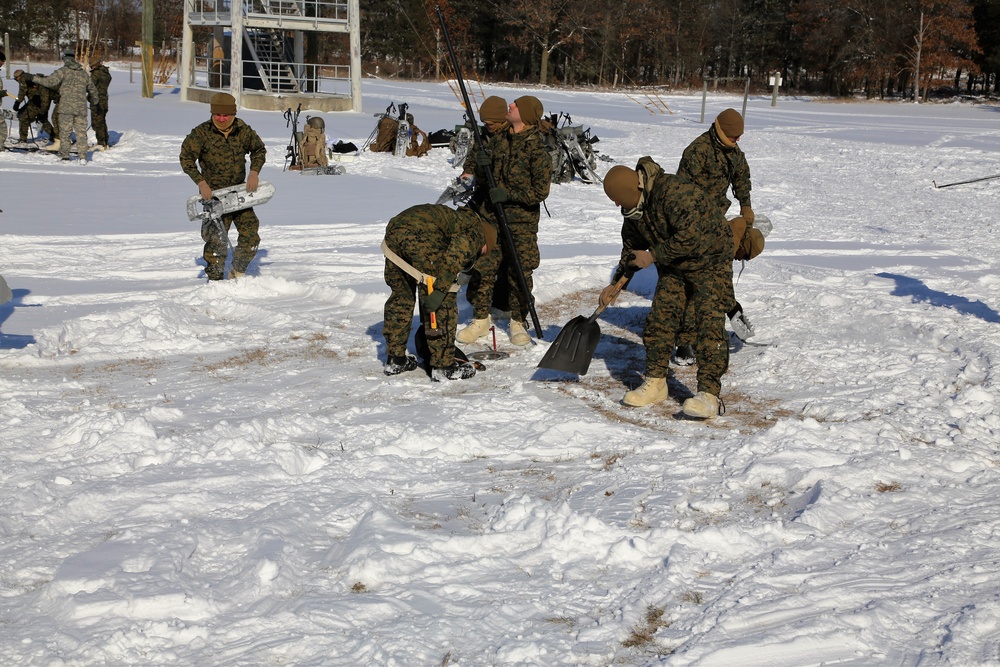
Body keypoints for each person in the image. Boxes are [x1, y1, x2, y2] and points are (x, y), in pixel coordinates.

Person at [600, 159, 733, 418]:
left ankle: (709, 395)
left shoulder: (673, 192)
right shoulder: (634, 212)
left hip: (711, 258)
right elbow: (631, 249)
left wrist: (653, 255)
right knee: (660, 320)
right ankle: (656, 382)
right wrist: (616, 283)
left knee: (708, 323)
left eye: (617, 198)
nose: (616, 204)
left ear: (630, 190)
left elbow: (692, 236)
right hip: (674, 263)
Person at [457, 95, 552, 346]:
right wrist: (480, 168)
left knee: (518, 271)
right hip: (491, 217)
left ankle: (518, 321)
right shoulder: (499, 139)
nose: (509, 106)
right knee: (484, 267)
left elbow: (540, 192)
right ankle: (480, 320)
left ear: (527, 114)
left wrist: (510, 195)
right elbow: (486, 179)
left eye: (515, 105)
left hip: (520, 223)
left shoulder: (538, 150)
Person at [673, 107, 756, 364]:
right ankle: (686, 341)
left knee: (720, 271)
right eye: (734, 137)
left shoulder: (732, 151)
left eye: (739, 137)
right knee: (692, 279)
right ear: (720, 131)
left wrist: (745, 203)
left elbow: (741, 174)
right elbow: (680, 194)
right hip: (693, 223)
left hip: (717, 221)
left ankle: (727, 311)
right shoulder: (696, 153)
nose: (737, 141)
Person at [382, 204, 498, 381]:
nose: (479, 255)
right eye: (483, 252)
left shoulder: (458, 221)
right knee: (443, 298)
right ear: (485, 242)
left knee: (401, 296)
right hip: (421, 234)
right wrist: (440, 291)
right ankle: (444, 366)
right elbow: (453, 260)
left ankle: (396, 359)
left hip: (394, 231)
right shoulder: (475, 231)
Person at [179, 92, 267, 281]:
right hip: (214, 198)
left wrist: (254, 172)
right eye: (217, 114)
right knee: (215, 242)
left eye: (225, 115)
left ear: (233, 114)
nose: (221, 118)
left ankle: (238, 271)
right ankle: (215, 280)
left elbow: (259, 149)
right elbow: (186, 158)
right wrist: (201, 182)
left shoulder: (243, 130)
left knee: (251, 236)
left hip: (239, 195)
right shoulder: (201, 133)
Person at [23, 52, 98, 161]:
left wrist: (32, 78)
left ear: (64, 59)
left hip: (65, 108)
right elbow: (93, 90)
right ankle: (82, 157)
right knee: (81, 133)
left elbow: (49, 82)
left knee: (65, 133)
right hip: (81, 109)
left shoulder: (63, 71)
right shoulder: (83, 73)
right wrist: (94, 102)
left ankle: (65, 156)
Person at [12, 69, 55, 145]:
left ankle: (23, 139)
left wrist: (17, 103)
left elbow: (22, 92)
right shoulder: (30, 77)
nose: (17, 80)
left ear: (19, 77)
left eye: (16, 78)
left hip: (36, 101)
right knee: (42, 118)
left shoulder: (23, 79)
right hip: (44, 100)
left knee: (23, 117)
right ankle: (55, 137)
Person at [89, 54, 112, 150]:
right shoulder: (106, 73)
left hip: (96, 100)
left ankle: (101, 143)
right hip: (104, 99)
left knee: (97, 122)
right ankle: (105, 141)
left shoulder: (96, 74)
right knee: (102, 120)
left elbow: (89, 86)